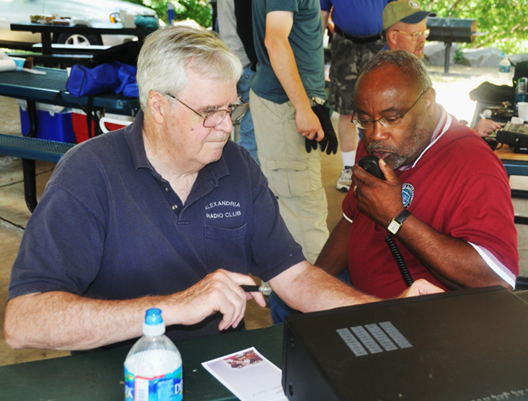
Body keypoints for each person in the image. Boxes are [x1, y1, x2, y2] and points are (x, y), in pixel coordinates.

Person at [4, 27, 442, 352]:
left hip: (223, 370)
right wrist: (175, 307)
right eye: (209, 111)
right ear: (158, 106)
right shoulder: (88, 174)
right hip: (123, 376)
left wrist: (381, 310)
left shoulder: (235, 166)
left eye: (231, 109)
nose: (224, 128)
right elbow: (23, 322)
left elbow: (295, 277)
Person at [316, 50, 519, 299]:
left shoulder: (474, 167)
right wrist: (315, 283)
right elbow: (350, 219)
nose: (375, 134)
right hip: (356, 289)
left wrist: (397, 218)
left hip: (414, 319)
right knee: (287, 300)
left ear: (428, 102)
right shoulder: (377, 144)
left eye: (392, 118)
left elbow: (498, 279)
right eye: (366, 120)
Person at [250, 0, 333, 265]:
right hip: (285, 103)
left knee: (291, 203)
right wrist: (302, 106)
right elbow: (274, 39)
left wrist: (313, 103)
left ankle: (290, 290)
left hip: (288, 99)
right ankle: (317, 302)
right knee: (303, 210)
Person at [382, 0, 501, 137]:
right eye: (415, 34)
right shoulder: (387, 77)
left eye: (424, 32)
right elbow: (415, 138)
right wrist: (468, 134)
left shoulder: (408, 66)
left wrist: (461, 129)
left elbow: (431, 115)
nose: (422, 40)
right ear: (393, 37)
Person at [321, 0, 395, 192]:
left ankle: (378, 165)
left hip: (379, 44)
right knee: (347, 111)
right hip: (344, 45)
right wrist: (314, 54)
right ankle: (348, 168)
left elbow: (397, 11)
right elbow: (322, 13)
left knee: (380, 109)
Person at [217, 0, 259, 164]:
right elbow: (245, 24)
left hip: (233, 62)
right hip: (246, 65)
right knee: (251, 133)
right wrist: (256, 62)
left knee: (231, 127)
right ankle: (247, 183)